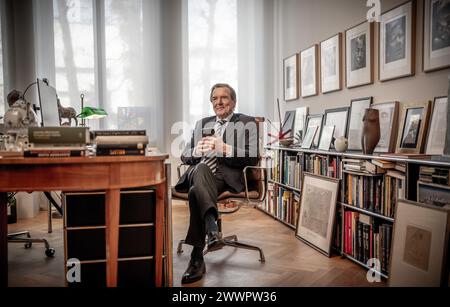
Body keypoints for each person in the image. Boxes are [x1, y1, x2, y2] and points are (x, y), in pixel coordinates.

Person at [175, 83, 259, 284]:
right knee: (202, 169)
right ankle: (212, 231)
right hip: (199, 172)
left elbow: (253, 156)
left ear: (233, 101)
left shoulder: (247, 122)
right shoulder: (201, 123)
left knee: (197, 191)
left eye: (224, 98)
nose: (218, 102)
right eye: (214, 98)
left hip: (225, 180)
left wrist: (225, 148)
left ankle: (197, 258)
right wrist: (197, 151)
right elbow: (185, 155)